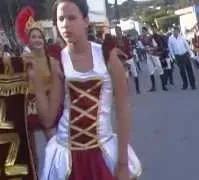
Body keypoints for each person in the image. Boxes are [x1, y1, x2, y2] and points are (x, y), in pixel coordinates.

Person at [28, 0, 142, 179]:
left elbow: (123, 111)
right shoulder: (59, 61)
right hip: (67, 156)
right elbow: (48, 119)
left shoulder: (107, 57)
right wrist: (37, 84)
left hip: (102, 152)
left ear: (86, 20)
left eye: (72, 18)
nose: (65, 24)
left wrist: (122, 162)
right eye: (61, 19)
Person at [16, 6, 62, 175]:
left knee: (55, 147)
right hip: (29, 110)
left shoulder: (53, 61)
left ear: (44, 39)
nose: (36, 40)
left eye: (39, 37)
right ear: (29, 40)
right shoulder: (23, 61)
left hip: (49, 108)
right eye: (33, 37)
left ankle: (58, 174)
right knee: (30, 152)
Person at [168, 26, 196, 90]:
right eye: (173, 31)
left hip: (185, 55)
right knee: (182, 71)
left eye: (176, 31)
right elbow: (171, 49)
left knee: (189, 70)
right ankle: (185, 85)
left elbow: (187, 46)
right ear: (172, 31)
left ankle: (193, 85)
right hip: (178, 57)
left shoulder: (182, 37)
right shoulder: (170, 39)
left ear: (178, 31)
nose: (175, 32)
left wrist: (191, 53)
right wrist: (173, 57)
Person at [115, 26, 141, 94]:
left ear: (120, 31)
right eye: (116, 31)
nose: (118, 33)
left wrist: (132, 52)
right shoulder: (115, 41)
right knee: (125, 76)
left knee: (134, 73)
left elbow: (130, 47)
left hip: (129, 59)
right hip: (123, 61)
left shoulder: (125, 39)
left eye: (119, 31)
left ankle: (137, 89)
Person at [140, 26, 167, 92]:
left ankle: (164, 86)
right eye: (142, 31)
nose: (143, 33)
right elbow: (141, 47)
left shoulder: (151, 37)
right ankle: (153, 87)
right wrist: (145, 49)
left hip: (154, 55)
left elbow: (156, 45)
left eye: (144, 31)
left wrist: (151, 49)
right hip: (148, 55)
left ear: (146, 31)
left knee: (160, 69)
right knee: (151, 71)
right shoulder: (141, 39)